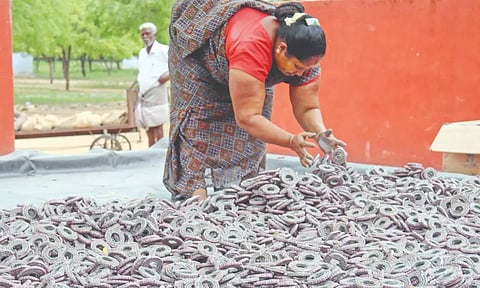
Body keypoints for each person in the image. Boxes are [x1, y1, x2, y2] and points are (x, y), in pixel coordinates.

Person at [164, 0, 346, 200]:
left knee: (252, 136)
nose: (299, 73)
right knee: (196, 125)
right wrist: (290, 141)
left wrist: (321, 134)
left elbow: (308, 107)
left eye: (307, 69)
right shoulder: (251, 46)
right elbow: (248, 117)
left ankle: (243, 198)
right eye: (296, 66)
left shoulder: (305, 56)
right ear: (281, 48)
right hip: (199, 57)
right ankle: (194, 204)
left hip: (247, 66)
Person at [135, 22, 170, 147]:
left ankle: (160, 153)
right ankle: (151, 151)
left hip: (157, 90)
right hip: (144, 92)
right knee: (148, 126)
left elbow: (176, 65)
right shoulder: (142, 53)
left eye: (147, 33)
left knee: (157, 124)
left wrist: (166, 76)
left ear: (154, 35)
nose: (145, 37)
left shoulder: (163, 50)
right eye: (142, 34)